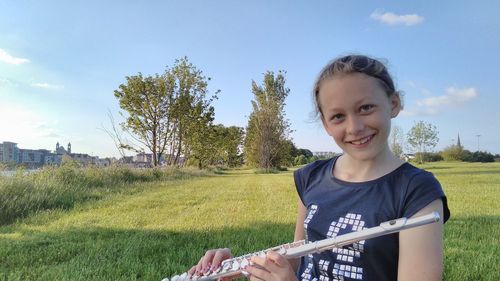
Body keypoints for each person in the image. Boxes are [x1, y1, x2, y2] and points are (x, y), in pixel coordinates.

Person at [188, 54, 450, 281]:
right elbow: (299, 256)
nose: (354, 127)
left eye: (366, 108)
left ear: (393, 104)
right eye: (338, 116)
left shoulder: (417, 191)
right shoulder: (311, 177)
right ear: (325, 124)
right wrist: (248, 267)